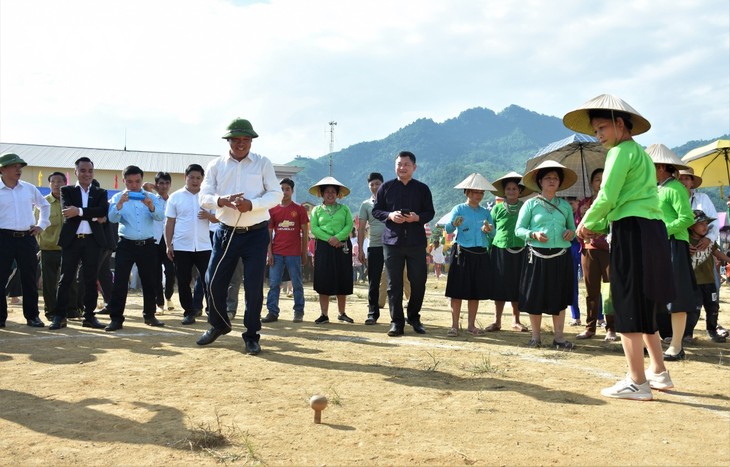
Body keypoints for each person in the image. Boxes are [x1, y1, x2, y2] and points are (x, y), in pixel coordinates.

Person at [568, 94, 674, 400]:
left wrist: (585, 222)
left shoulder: (618, 154)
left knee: (627, 303)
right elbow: (622, 199)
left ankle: (637, 381)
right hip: (651, 230)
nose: (599, 135)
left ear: (619, 124)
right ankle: (659, 371)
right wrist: (598, 223)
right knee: (643, 305)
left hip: (632, 230)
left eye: (602, 127)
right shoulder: (640, 154)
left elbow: (608, 196)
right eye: (595, 130)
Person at [196, 118, 282, 355]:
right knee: (212, 280)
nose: (241, 144)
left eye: (246, 140)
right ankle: (219, 324)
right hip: (225, 232)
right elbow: (203, 196)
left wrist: (252, 204)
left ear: (252, 142)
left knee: (254, 287)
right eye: (236, 139)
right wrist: (222, 201)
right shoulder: (216, 165)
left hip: (256, 234)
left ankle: (252, 335)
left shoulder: (263, 163)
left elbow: (275, 194)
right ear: (229, 140)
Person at [515, 160, 577, 349]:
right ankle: (536, 337)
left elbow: (572, 229)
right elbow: (519, 229)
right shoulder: (530, 205)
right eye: (548, 178)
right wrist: (532, 234)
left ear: (560, 183)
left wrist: (570, 233)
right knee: (536, 296)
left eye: (555, 178)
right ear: (540, 181)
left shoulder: (565, 206)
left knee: (558, 296)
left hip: (561, 255)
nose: (552, 181)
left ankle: (559, 337)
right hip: (536, 256)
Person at [372, 151, 435, 337]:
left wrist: (417, 218)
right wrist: (390, 215)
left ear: (414, 167)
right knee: (394, 284)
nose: (402, 167)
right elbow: (377, 211)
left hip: (416, 242)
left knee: (418, 282)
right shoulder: (386, 187)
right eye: (399, 164)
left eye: (406, 164)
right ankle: (396, 322)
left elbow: (430, 212)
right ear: (395, 166)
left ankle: (414, 317)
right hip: (392, 242)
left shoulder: (422, 189)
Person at [648, 143, 696, 361]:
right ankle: (655, 342)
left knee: (676, 297)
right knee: (652, 296)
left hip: (674, 245)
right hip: (657, 246)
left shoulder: (675, 188)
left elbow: (687, 218)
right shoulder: (655, 189)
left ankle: (676, 346)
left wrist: (661, 231)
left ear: (659, 167)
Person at [50, 157, 109, 330]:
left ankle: (89, 316)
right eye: (83, 170)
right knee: (66, 279)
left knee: (91, 280)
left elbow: (102, 211)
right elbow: (68, 211)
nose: (87, 174)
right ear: (76, 172)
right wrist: (89, 213)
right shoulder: (67, 190)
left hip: (92, 241)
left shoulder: (100, 192)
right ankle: (59, 316)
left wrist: (80, 211)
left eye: (90, 171)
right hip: (72, 241)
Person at [104, 165, 165, 331]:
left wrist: (150, 206)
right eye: (129, 182)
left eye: (137, 181)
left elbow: (160, 216)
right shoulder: (117, 197)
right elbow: (112, 219)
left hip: (147, 245)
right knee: (120, 283)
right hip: (126, 245)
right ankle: (116, 319)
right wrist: (120, 205)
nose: (134, 185)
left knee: (149, 282)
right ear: (124, 181)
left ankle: (150, 315)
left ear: (141, 180)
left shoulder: (151, 197)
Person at [0, 153, 50, 328]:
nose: (19, 169)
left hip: (26, 238)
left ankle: (32, 316)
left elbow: (44, 205)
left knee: (29, 279)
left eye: (20, 166)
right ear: (2, 169)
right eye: (14, 166)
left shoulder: (29, 188)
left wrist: (41, 224)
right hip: (2, 238)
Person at [443, 173, 495, 337]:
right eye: (474, 192)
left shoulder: (485, 213)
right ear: (467, 192)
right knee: (457, 291)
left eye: (480, 192)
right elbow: (448, 230)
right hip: (462, 253)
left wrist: (488, 230)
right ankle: (454, 326)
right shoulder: (459, 209)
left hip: (480, 253)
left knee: (475, 292)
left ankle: (471, 325)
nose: (477, 195)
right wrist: (453, 224)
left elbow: (492, 235)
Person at [164, 164, 212, 325]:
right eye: (192, 177)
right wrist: (168, 244)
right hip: (181, 246)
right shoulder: (175, 197)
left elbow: (220, 218)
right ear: (186, 177)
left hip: (205, 246)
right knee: (183, 281)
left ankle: (212, 311)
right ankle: (189, 312)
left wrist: (209, 216)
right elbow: (170, 222)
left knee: (209, 280)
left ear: (202, 179)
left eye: (198, 178)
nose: (195, 181)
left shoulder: (208, 197)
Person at [677, 167, 721, 340]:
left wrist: (709, 238)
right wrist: (683, 244)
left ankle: (712, 329)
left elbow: (714, 223)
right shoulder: (672, 196)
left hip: (706, 252)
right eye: (681, 179)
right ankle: (685, 332)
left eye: (688, 178)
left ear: (693, 182)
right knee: (688, 298)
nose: (685, 182)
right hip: (682, 252)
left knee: (712, 296)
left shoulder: (703, 198)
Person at [487, 172, 532, 333]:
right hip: (500, 250)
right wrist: (486, 230)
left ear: (519, 191)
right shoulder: (497, 209)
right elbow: (490, 229)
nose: (511, 191)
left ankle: (516, 320)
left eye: (514, 189)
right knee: (499, 286)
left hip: (521, 250)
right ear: (504, 191)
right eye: (508, 189)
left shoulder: (526, 207)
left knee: (517, 285)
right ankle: (496, 321)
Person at [575, 168, 617, 341]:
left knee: (609, 291)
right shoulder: (584, 203)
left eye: (603, 179)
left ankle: (611, 328)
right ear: (591, 184)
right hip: (588, 250)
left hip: (608, 250)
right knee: (591, 291)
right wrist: (582, 214)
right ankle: (590, 327)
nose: (599, 183)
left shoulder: (612, 201)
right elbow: (577, 226)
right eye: (596, 180)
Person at [308, 176, 355, 324]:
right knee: (324, 279)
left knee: (342, 278)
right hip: (323, 247)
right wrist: (330, 239)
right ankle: (324, 314)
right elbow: (314, 228)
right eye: (327, 191)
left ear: (338, 194)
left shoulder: (345, 209)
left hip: (342, 246)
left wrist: (339, 237)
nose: (330, 194)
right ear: (322, 193)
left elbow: (349, 226)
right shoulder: (316, 210)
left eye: (333, 191)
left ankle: (342, 313)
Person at [262, 177, 309, 323]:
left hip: (294, 254)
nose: (284, 192)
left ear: (292, 191)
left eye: (287, 189)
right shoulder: (272, 210)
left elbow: (305, 233)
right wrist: (269, 252)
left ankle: (299, 311)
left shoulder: (299, 209)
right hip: (276, 253)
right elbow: (268, 233)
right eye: (281, 189)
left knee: (296, 283)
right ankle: (272, 312)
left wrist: (304, 252)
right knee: (274, 284)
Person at [36, 172, 77, 321]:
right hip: (48, 248)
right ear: (49, 184)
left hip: (69, 249)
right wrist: (40, 246)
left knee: (70, 280)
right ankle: (51, 311)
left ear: (65, 183)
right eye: (53, 181)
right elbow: (36, 226)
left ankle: (72, 309)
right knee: (49, 283)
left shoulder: (71, 202)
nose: (56, 184)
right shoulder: (43, 203)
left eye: (60, 181)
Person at [688, 210, 730, 343]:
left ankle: (712, 331)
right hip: (693, 282)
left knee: (713, 307)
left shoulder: (709, 241)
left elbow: (717, 253)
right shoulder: (685, 240)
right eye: (701, 224)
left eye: (706, 223)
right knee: (694, 310)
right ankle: (687, 334)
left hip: (710, 280)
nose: (705, 227)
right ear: (691, 226)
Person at [358, 172, 389, 325]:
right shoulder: (365, 204)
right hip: (374, 247)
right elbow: (361, 228)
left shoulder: (391, 201)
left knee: (394, 282)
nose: (375, 186)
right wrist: (361, 249)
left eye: (378, 183)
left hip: (391, 246)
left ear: (383, 184)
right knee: (373, 282)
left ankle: (396, 315)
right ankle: (372, 314)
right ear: (368, 186)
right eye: (372, 184)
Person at [145, 172, 176, 313]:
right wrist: (154, 189)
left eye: (167, 183)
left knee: (170, 272)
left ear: (170, 185)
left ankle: (168, 296)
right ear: (156, 184)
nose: (164, 186)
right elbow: (144, 186)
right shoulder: (151, 198)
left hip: (169, 242)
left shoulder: (174, 200)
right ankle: (160, 303)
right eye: (161, 183)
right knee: (155, 273)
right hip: (154, 241)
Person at [565, 196, 582, 326]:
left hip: (584, 248)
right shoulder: (564, 214)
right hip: (569, 248)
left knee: (592, 284)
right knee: (572, 283)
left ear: (578, 202)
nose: (571, 206)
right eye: (568, 203)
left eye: (572, 202)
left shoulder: (585, 212)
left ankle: (599, 317)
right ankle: (575, 316)